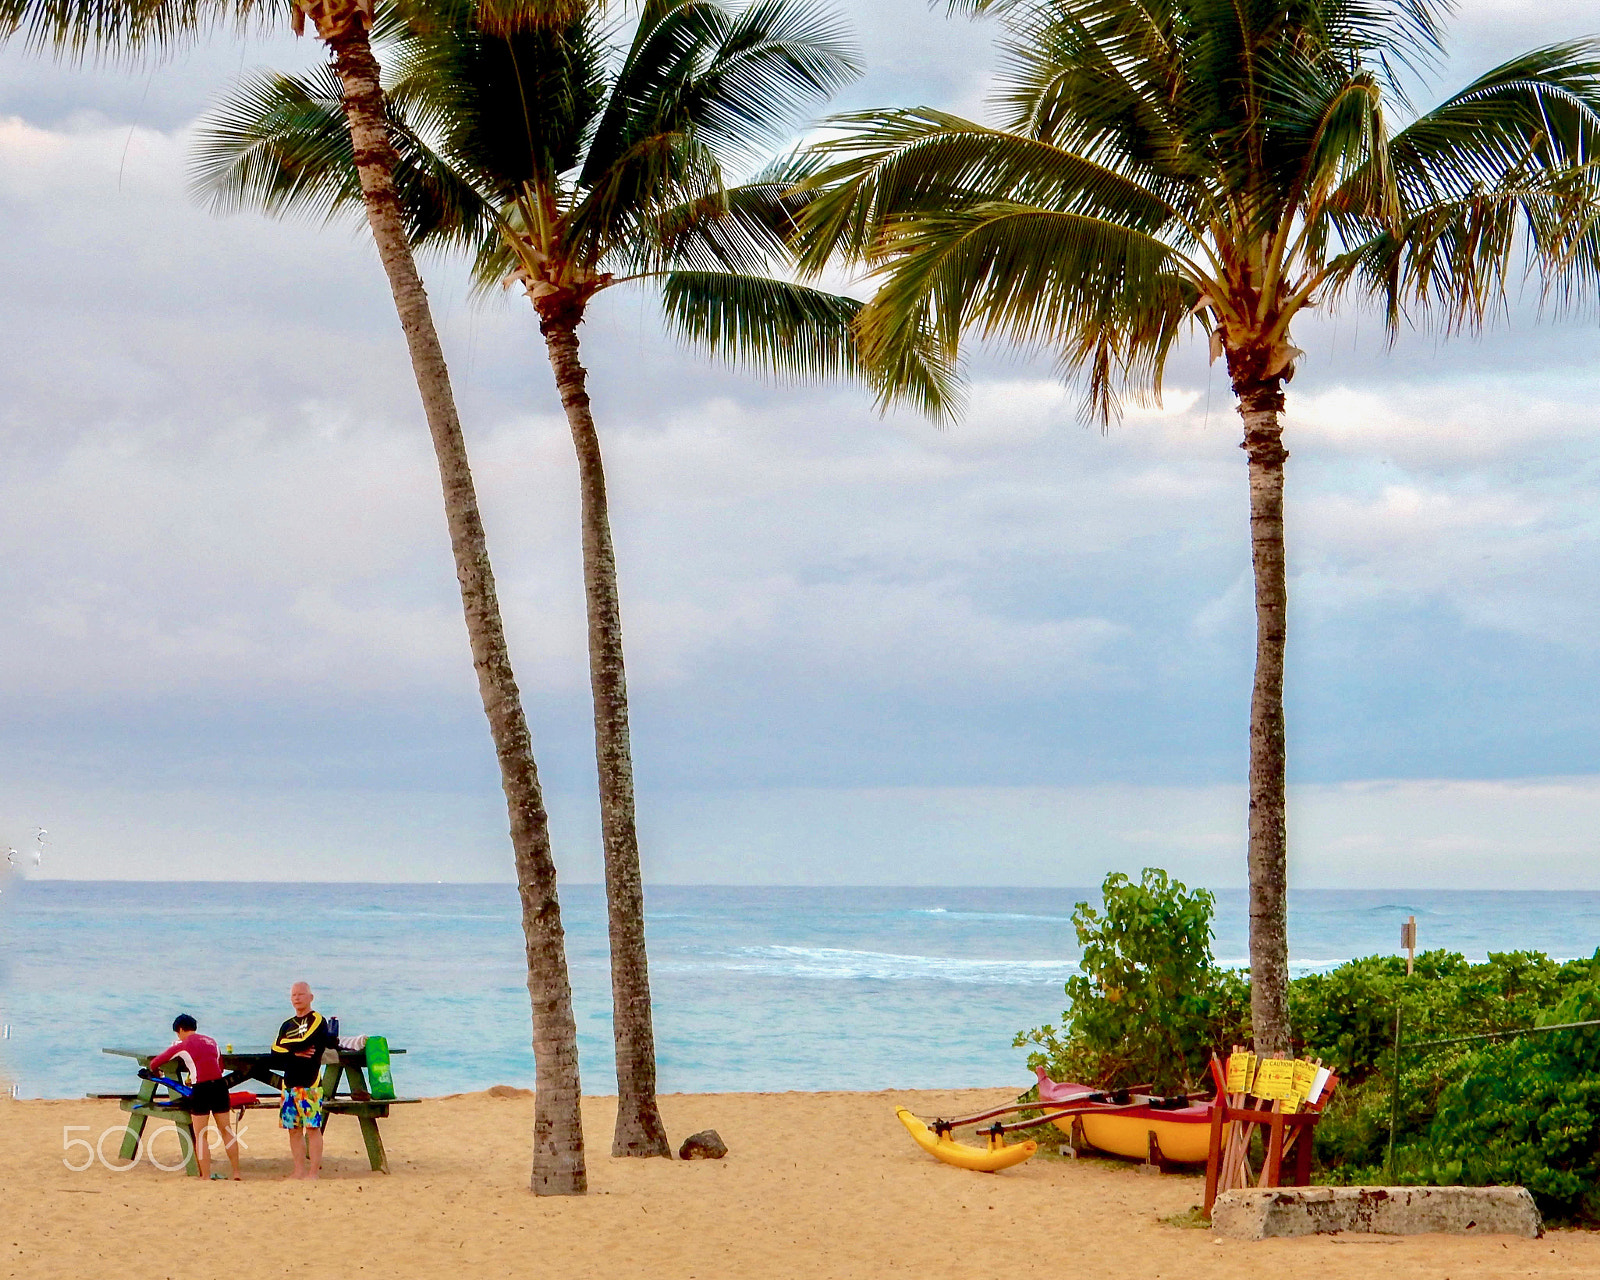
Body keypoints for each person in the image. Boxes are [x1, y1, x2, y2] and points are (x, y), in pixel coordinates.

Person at [149, 1014, 241, 1180]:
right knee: (226, 1131)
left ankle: (205, 1175)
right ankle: (236, 1172)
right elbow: (220, 1066)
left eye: (178, 1033)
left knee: (201, 1135)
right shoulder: (212, 1041)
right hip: (220, 1086)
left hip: (202, 1088)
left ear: (181, 1029)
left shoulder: (183, 1044)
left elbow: (156, 1062)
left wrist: (157, 1073)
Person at [271, 981, 337, 1180]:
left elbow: (306, 1041)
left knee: (313, 1128)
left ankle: (313, 1172)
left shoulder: (317, 1019)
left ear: (310, 997)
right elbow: (275, 1052)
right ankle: (298, 1170)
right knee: (293, 1129)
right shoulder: (287, 1025)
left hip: (310, 1083)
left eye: (301, 994)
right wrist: (295, 1052)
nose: (297, 998)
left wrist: (290, 1047)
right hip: (290, 1083)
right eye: (293, 995)